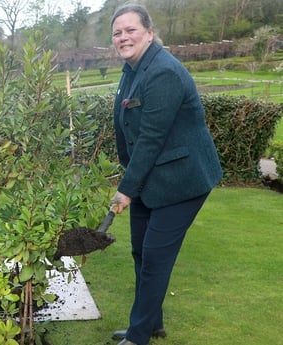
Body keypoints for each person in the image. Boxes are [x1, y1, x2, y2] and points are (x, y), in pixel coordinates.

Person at [108, 4, 222, 345]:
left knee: (155, 256)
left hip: (182, 179)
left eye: (131, 30)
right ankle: (151, 322)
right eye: (117, 32)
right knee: (141, 252)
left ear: (149, 33)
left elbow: (152, 138)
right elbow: (129, 126)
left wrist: (125, 189)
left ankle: (139, 336)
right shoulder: (133, 69)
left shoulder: (163, 73)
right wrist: (133, 180)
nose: (123, 37)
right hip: (150, 177)